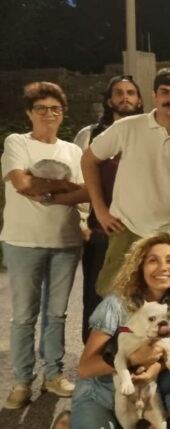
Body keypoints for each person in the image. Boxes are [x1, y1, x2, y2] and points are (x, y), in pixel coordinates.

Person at [2, 82, 89, 408]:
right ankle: (22, 381)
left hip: (65, 241)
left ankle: (53, 374)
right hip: (24, 241)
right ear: (29, 113)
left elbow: (85, 193)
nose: (49, 114)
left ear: (62, 113)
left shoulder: (72, 151)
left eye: (55, 109)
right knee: (24, 316)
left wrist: (48, 189)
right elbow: (22, 183)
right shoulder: (17, 143)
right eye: (41, 109)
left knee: (57, 314)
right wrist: (64, 186)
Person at [70, 233, 170, 428]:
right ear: (139, 268)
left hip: (147, 389)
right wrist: (135, 360)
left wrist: (155, 368)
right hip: (102, 393)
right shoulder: (116, 305)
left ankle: (154, 419)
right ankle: (69, 420)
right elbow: (85, 368)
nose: (163, 267)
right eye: (153, 261)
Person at [82, 68, 170, 299]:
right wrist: (101, 212)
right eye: (165, 92)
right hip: (128, 228)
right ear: (154, 96)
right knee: (113, 298)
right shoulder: (127, 127)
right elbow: (89, 160)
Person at [74, 75, 144, 344]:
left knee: (138, 297)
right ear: (108, 99)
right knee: (97, 296)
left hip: (140, 229)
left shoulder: (145, 132)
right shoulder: (91, 134)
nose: (125, 97)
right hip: (103, 227)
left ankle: (133, 358)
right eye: (119, 92)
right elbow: (81, 179)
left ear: (139, 100)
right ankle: (94, 363)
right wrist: (85, 220)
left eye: (130, 92)